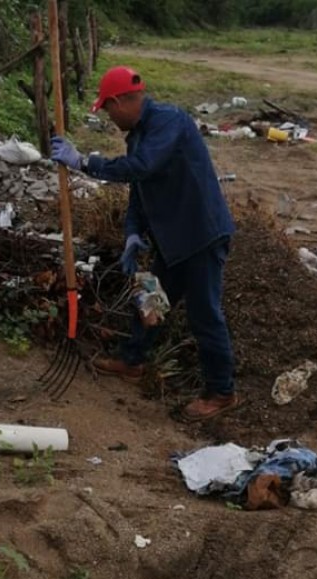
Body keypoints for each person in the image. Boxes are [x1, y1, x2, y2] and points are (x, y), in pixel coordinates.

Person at [50, 65, 240, 422]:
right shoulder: (140, 132)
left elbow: (141, 167)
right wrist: (133, 232)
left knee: (205, 316)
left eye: (108, 109)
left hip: (201, 235)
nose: (108, 116)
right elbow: (141, 188)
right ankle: (132, 359)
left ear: (121, 101)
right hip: (171, 238)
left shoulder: (169, 122)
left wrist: (84, 163)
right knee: (151, 297)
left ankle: (222, 391)